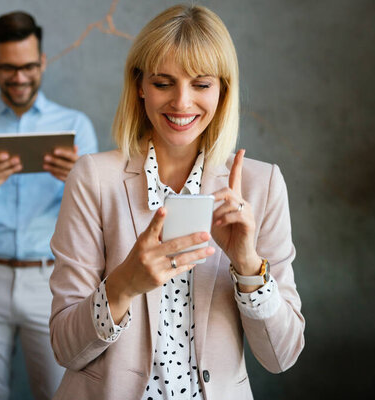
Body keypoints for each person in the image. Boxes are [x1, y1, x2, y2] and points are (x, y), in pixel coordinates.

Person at [49, 5, 304, 400]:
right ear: (140, 85)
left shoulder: (262, 184)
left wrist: (249, 266)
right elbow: (65, 348)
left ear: (223, 90)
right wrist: (122, 285)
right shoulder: (94, 179)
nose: (182, 103)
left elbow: (281, 356)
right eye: (164, 83)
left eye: (201, 84)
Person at [0, 11, 98, 400]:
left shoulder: (76, 125)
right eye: (8, 67)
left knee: (58, 391)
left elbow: (98, 219)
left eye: (29, 66)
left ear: (42, 62)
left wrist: (79, 179)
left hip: (50, 281)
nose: (20, 77)